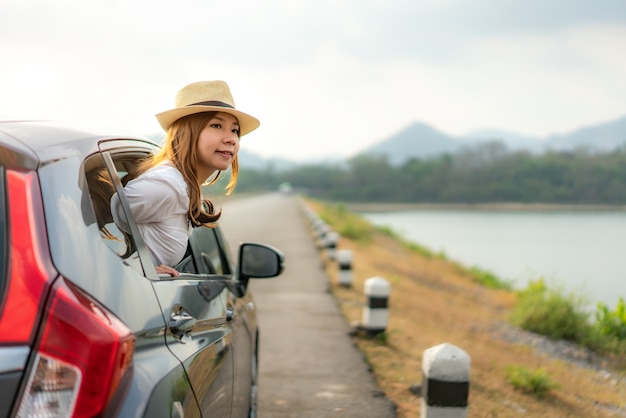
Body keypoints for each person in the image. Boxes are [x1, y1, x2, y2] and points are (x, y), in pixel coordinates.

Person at [111, 80, 260, 276]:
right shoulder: (167, 186)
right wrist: (135, 269)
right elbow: (87, 227)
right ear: (187, 132)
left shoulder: (183, 186)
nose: (231, 138)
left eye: (234, 130)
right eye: (216, 125)